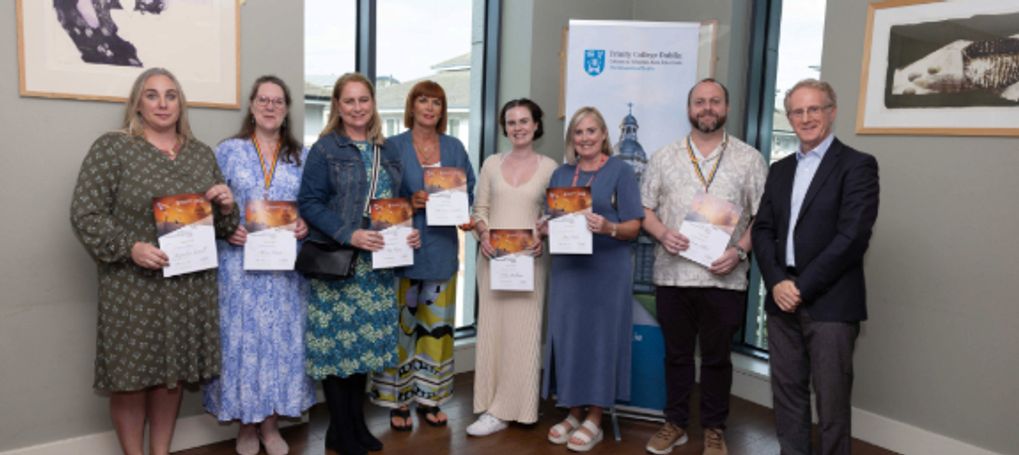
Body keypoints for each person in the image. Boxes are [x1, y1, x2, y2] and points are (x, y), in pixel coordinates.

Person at [70, 67, 239, 455]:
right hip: (132, 286)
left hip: (187, 287)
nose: (162, 103)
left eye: (171, 95)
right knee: (130, 379)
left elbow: (222, 226)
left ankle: (160, 451)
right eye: (152, 95)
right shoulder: (113, 148)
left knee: (172, 377)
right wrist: (131, 246)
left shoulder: (200, 154)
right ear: (137, 103)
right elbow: (86, 214)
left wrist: (228, 205)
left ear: (181, 104)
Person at [640, 79, 768, 455]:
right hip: (673, 275)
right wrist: (662, 233)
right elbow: (644, 209)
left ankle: (714, 428)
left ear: (726, 108)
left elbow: (764, 217)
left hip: (724, 277)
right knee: (676, 356)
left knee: (716, 359)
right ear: (689, 109)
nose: (707, 108)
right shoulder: (664, 157)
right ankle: (675, 423)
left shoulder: (750, 159)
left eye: (714, 101)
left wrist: (741, 250)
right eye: (700, 102)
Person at [752, 79, 880, 455]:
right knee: (787, 394)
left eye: (814, 109)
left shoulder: (857, 166)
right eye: (797, 111)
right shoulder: (779, 170)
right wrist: (777, 281)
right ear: (789, 117)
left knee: (832, 401)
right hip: (780, 296)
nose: (806, 118)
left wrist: (801, 287)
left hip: (831, 302)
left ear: (832, 111)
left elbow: (852, 238)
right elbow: (761, 230)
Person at [298, 72, 421, 455]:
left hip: (378, 268)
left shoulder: (389, 151)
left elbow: (395, 205)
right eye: (349, 101)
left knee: (364, 351)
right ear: (337, 106)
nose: (356, 108)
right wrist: (347, 232)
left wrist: (408, 231)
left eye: (363, 100)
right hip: (341, 265)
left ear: (372, 103)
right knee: (339, 352)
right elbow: (309, 203)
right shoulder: (324, 150)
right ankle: (342, 430)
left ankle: (353, 426)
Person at [202, 75, 316, 455]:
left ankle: (270, 425)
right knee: (243, 345)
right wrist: (226, 227)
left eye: (278, 101)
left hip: (285, 271)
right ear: (251, 106)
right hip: (239, 269)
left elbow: (313, 205)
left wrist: (305, 223)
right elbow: (209, 206)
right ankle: (246, 428)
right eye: (263, 100)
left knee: (279, 346)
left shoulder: (300, 157)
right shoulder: (228, 152)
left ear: (286, 110)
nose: (270, 106)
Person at [370, 80, 476, 431]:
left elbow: (468, 192)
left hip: (442, 251)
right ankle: (398, 401)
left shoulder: (455, 147)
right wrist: (408, 202)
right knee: (401, 329)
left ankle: (430, 399)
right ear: (412, 107)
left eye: (436, 103)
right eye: (423, 101)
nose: (430, 108)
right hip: (401, 251)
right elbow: (379, 199)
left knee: (437, 330)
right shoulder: (392, 147)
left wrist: (465, 213)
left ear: (442, 111)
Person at [540, 107, 644, 452]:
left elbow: (634, 226)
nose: (584, 138)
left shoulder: (621, 172)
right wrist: (543, 227)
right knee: (569, 338)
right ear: (572, 138)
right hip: (569, 269)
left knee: (600, 340)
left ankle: (595, 417)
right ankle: (572, 411)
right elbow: (552, 217)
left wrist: (609, 226)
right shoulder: (560, 174)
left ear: (603, 136)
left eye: (591, 131)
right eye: (578, 132)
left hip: (606, 269)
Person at [466, 98, 558, 437]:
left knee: (524, 332)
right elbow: (480, 210)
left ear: (536, 125)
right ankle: (492, 408)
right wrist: (483, 235)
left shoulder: (551, 168)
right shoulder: (491, 164)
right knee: (493, 331)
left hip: (530, 262)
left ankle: (520, 406)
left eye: (524, 121)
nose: (517, 127)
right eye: (511, 122)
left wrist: (542, 237)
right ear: (505, 127)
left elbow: (555, 215)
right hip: (493, 260)